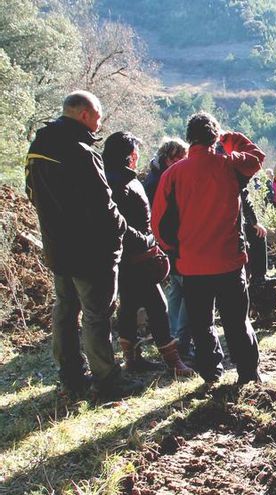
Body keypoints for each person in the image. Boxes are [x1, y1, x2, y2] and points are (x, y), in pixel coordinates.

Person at [25, 90, 130, 398]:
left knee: (65, 310)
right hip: (91, 251)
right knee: (97, 314)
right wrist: (120, 230)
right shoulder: (81, 151)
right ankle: (107, 380)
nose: (100, 121)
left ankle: (70, 375)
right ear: (84, 114)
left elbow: (31, 192)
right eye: (97, 115)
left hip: (58, 247)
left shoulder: (38, 146)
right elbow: (103, 205)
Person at [152, 112, 264, 385]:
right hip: (229, 261)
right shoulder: (231, 166)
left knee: (202, 324)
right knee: (237, 322)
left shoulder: (173, 174)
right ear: (214, 136)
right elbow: (257, 157)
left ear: (189, 138)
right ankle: (248, 374)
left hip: (192, 264)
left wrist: (175, 251)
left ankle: (211, 374)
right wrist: (228, 139)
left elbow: (158, 223)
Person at [103, 132, 194, 376]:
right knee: (158, 305)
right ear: (129, 156)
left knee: (130, 305)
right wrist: (148, 241)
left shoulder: (123, 178)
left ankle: (132, 360)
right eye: (135, 152)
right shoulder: (116, 183)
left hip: (135, 255)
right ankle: (173, 361)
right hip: (134, 257)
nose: (138, 156)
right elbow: (118, 224)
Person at [141, 138, 192, 360]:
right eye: (179, 158)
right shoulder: (161, 180)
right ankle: (181, 340)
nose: (182, 163)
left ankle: (173, 334)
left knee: (177, 289)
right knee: (188, 290)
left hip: (166, 241)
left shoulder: (156, 175)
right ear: (169, 157)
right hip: (173, 241)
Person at [143, 138, 187, 204]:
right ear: (165, 158)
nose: (179, 165)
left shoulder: (159, 174)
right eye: (176, 161)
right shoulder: (156, 181)